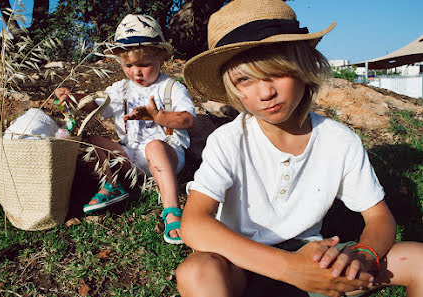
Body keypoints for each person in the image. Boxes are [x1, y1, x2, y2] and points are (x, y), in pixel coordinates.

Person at [176, 0, 423, 296]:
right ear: (232, 88)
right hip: (242, 263)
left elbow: (380, 218)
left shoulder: (338, 140)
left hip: (314, 258)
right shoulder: (228, 140)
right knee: (196, 271)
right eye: (245, 79)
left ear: (303, 68)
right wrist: (291, 269)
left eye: (276, 72)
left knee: (417, 260)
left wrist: (363, 255)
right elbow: (193, 224)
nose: (266, 92)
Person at [55, 14, 195, 244]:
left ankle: (172, 210)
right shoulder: (120, 89)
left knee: (154, 147)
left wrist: (157, 116)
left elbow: (188, 120)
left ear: (161, 57)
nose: (136, 72)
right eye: (128, 65)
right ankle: (113, 184)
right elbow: (95, 103)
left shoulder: (170, 88)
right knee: (91, 140)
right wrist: (74, 97)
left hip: (167, 156)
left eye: (143, 64)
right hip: (131, 157)